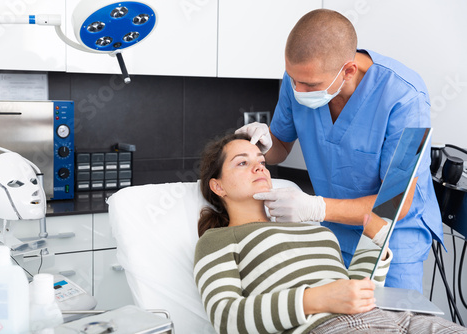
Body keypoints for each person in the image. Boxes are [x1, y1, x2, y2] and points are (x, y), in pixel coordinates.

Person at [235, 8, 443, 292]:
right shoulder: (300, 77)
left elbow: (396, 202)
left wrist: (314, 206)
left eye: (310, 84)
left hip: (389, 237)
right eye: (293, 79)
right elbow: (281, 144)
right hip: (332, 234)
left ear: (348, 71)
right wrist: (264, 145)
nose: (299, 90)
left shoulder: (407, 98)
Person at [193, 133, 466, 334]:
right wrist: (315, 298)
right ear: (218, 187)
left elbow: (355, 290)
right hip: (329, 327)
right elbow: (226, 317)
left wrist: (375, 242)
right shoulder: (218, 240)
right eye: (242, 163)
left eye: (261, 160)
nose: (259, 166)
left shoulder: (310, 228)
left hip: (396, 319)